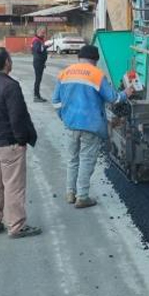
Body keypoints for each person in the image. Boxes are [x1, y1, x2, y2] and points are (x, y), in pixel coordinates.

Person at [52, 45, 126, 209]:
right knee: (86, 159)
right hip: (90, 126)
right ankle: (82, 197)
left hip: (71, 124)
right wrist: (127, 93)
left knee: (72, 159)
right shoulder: (97, 75)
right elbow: (113, 99)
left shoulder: (65, 73)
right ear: (95, 60)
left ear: (79, 57)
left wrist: (63, 117)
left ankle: (70, 192)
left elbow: (55, 101)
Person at [0, 47, 41, 238]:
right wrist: (22, 140)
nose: (11, 62)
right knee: (13, 185)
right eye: (10, 59)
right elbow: (17, 117)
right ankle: (16, 225)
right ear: (6, 63)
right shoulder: (10, 86)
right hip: (9, 144)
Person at [31, 29, 50, 102]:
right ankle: (36, 96)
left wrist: (45, 46)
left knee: (38, 80)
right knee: (38, 80)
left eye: (44, 33)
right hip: (38, 62)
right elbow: (38, 50)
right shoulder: (36, 41)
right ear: (38, 33)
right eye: (42, 33)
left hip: (40, 62)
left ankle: (37, 96)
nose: (43, 34)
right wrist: (45, 46)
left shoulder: (39, 40)